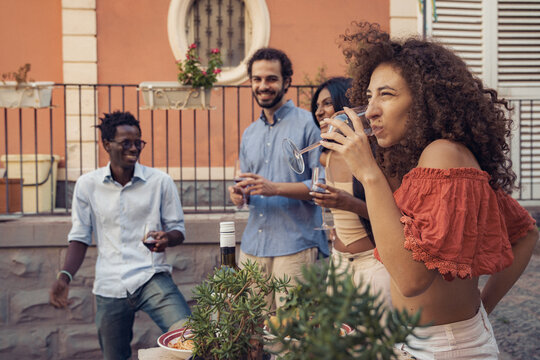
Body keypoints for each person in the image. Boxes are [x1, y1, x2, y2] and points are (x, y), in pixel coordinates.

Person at [321, 22, 538, 359]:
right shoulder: (430, 159)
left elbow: (410, 279)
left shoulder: (443, 155)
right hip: (428, 342)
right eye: (369, 96)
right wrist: (481, 308)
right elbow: (526, 233)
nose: (372, 110)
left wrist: (369, 174)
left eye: (387, 94)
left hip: (445, 346)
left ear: (424, 100)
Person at [49, 111, 191, 360]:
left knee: (190, 337)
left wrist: (167, 238)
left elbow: (178, 230)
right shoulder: (87, 185)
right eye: (126, 142)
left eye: (138, 142)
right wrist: (65, 276)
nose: (134, 148)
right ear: (106, 144)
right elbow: (80, 236)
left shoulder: (160, 182)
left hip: (151, 277)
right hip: (110, 284)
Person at [228, 47, 328, 308]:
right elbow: (248, 189)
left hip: (295, 247)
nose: (263, 86)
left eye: (271, 79)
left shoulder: (309, 124)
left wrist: (274, 188)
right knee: (252, 336)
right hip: (252, 249)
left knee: (291, 337)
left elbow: (322, 185)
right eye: (257, 79)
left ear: (287, 82)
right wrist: (240, 195)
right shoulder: (249, 133)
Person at [310, 77, 391, 307]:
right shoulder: (327, 156)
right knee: (339, 339)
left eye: (326, 103)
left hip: (373, 264)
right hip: (339, 264)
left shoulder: (375, 156)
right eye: (316, 106)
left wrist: (349, 203)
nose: (319, 112)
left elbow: (394, 217)